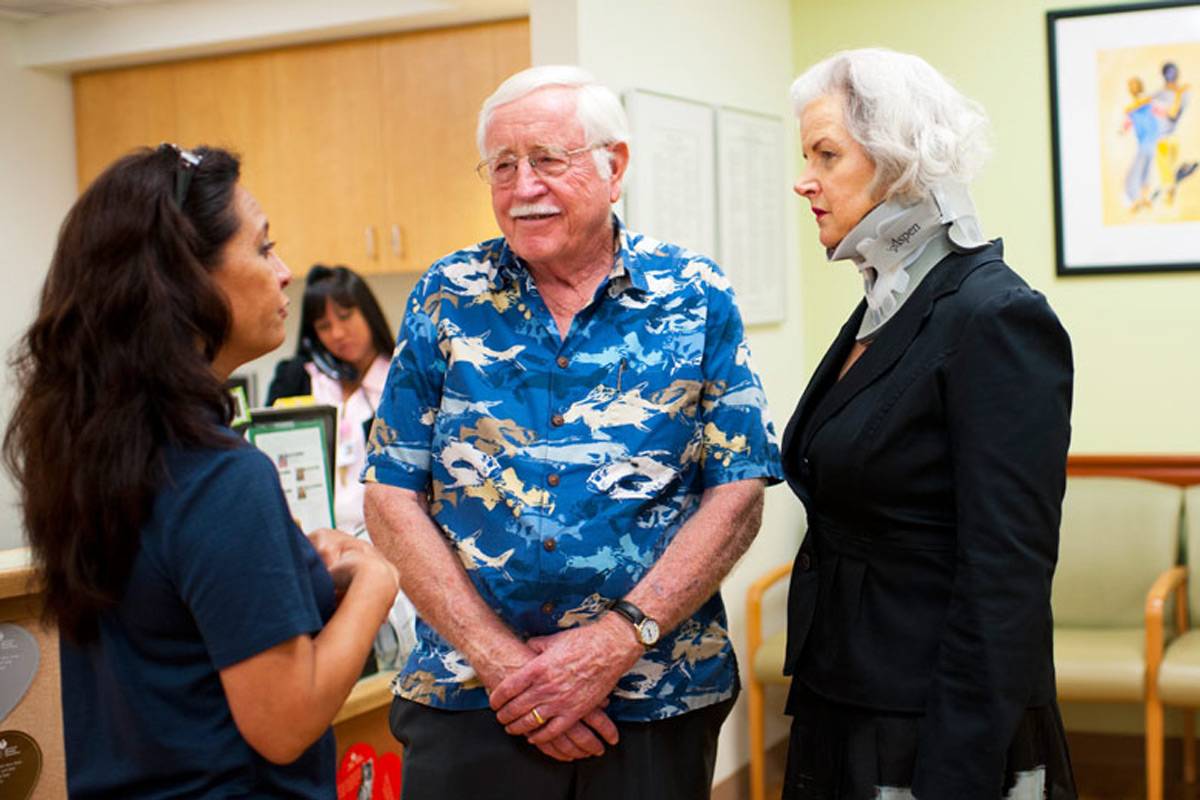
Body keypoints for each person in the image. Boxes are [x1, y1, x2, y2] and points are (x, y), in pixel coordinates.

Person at [362, 64, 782, 800]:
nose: (523, 187)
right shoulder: (445, 297)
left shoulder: (695, 294)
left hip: (655, 694)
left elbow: (739, 490)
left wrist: (619, 639)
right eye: (503, 166)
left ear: (613, 166)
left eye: (548, 161)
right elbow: (390, 495)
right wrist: (503, 664)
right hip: (471, 697)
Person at [3, 144, 400, 798]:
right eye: (264, 248)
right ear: (187, 280)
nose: (284, 272)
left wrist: (296, 575)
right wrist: (375, 582)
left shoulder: (97, 459)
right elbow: (286, 719)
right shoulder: (222, 478)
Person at [780, 49, 1077, 799]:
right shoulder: (889, 306)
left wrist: (958, 772)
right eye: (805, 154)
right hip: (845, 699)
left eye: (827, 154)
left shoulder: (995, 316)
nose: (803, 178)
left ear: (899, 163)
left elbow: (1005, 577)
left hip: (935, 727)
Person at [267, 264, 395, 532]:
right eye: (324, 326)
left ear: (368, 313)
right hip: (309, 536)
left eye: (346, 316)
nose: (337, 334)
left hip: (379, 536)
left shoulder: (402, 382)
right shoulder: (298, 378)